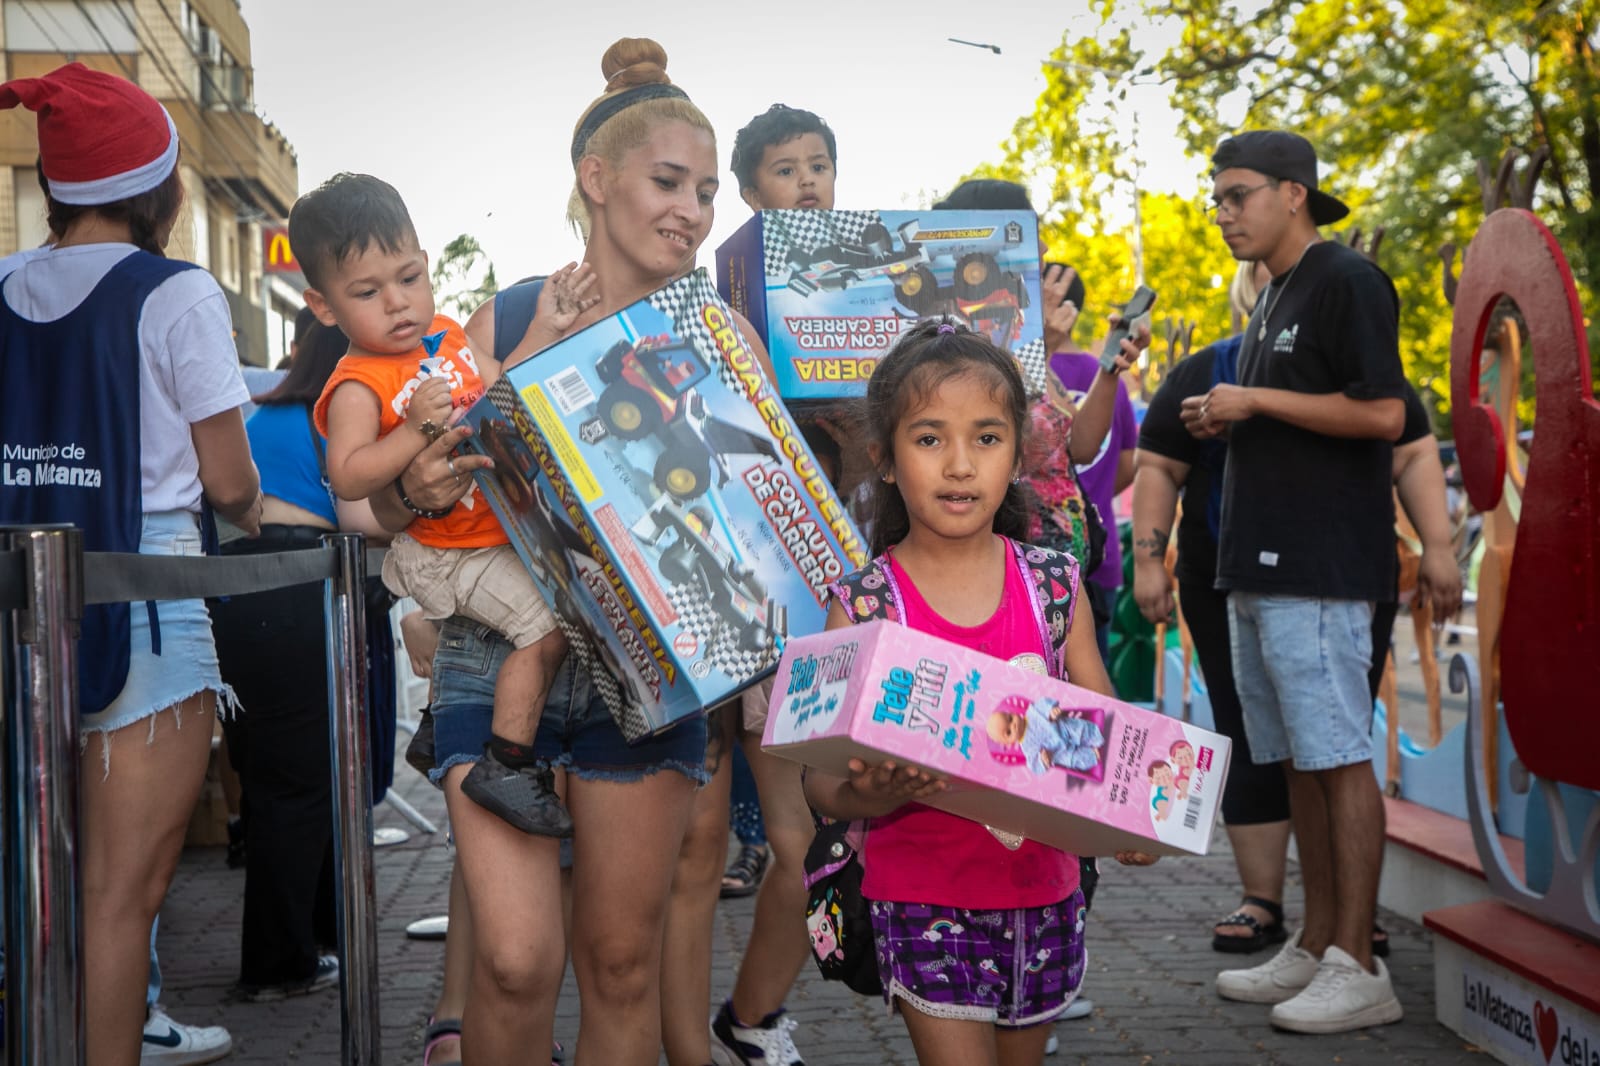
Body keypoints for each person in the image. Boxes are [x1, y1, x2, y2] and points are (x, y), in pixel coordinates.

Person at [369, 37, 736, 1065]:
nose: (692, 210)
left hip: (650, 669)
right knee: (516, 964)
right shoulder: (514, 313)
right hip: (494, 656)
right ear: (596, 179)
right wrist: (415, 487)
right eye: (669, 181)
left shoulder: (723, 337)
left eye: (705, 191)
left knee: (621, 964)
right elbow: (392, 501)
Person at [0, 63, 263, 1066]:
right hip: (148, 605)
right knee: (117, 901)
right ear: (162, 188)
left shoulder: (2, 284)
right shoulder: (177, 292)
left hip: (17, 599)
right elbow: (230, 486)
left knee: (34, 893)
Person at [802, 319, 1154, 1066]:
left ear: (1018, 453)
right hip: (920, 900)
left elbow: (1111, 732)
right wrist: (870, 794)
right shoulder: (866, 605)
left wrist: (1136, 818)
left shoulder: (1056, 587)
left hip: (1048, 892)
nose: (960, 465)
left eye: (986, 439)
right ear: (886, 460)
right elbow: (822, 782)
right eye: (929, 439)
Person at [1132, 259, 1461, 957]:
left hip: (1334, 576)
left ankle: (1349, 927)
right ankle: (1276, 908)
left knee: (1332, 748)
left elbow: (1412, 450)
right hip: (1223, 577)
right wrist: (1147, 561)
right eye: (1262, 282)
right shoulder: (1204, 370)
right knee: (1256, 742)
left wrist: (1437, 545)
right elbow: (1158, 461)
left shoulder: (1358, 369)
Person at [1181, 129, 1408, 1033]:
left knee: (1338, 758)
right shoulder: (1273, 294)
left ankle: (1362, 965)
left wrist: (1256, 400)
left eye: (1238, 195)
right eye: (1219, 198)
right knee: (1297, 763)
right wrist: (1227, 416)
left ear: (1293, 194)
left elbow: (1386, 411)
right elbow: (1305, 418)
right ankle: (1317, 947)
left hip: (1319, 570)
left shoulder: (1348, 280)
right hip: (1259, 568)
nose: (1224, 213)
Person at [294, 173, 572, 839]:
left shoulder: (447, 335)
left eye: (410, 277)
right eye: (367, 292)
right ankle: (507, 763)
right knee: (548, 623)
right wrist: (414, 430)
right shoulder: (359, 382)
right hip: (439, 554)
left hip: (482, 539)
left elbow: (499, 391)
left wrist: (542, 329)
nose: (398, 303)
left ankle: (436, 727)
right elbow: (350, 473)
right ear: (324, 306)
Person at [703, 102, 844, 1066]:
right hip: (754, 597)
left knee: (820, 843)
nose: (807, 182)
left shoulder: (868, 282)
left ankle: (749, 1017)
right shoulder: (724, 303)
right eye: (784, 170)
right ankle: (740, 1021)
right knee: (795, 843)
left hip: (848, 593)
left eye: (820, 165)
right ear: (750, 192)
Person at [209, 320, 366, 1001]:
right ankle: (279, 961)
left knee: (270, 772)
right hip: (301, 586)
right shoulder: (337, 415)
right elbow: (363, 514)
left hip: (232, 588)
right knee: (302, 783)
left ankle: (310, 936)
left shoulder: (262, 411)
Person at [730, 102, 837, 212]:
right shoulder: (750, 230)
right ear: (755, 198)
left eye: (818, 167)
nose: (807, 180)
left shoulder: (854, 228)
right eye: (786, 171)